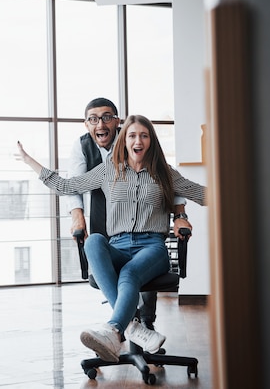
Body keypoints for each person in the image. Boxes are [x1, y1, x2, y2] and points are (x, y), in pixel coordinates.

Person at [16, 114, 206, 363]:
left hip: (152, 247)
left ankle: (116, 329)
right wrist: (31, 162)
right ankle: (134, 328)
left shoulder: (166, 173)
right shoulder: (108, 171)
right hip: (117, 246)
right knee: (94, 240)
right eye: (132, 135)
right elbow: (67, 185)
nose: (138, 140)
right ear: (124, 141)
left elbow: (205, 195)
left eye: (144, 135)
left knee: (129, 274)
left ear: (151, 141)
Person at [66, 98, 192, 332]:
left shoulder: (135, 139)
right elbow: (73, 185)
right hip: (104, 220)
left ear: (117, 121)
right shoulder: (81, 146)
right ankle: (130, 324)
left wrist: (180, 214)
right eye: (93, 119)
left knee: (139, 271)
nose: (100, 125)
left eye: (106, 118)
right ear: (87, 124)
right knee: (106, 259)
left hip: (144, 224)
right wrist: (77, 215)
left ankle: (143, 322)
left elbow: (168, 182)